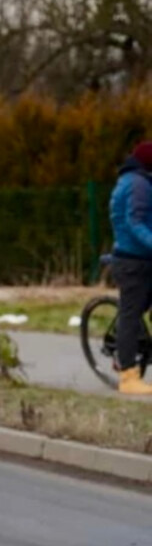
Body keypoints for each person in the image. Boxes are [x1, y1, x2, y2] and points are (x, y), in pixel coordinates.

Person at [110, 142, 152, 395]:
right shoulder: (138, 184)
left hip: (142, 258)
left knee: (133, 314)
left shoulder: (136, 180)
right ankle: (127, 376)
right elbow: (135, 222)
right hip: (133, 261)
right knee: (131, 315)